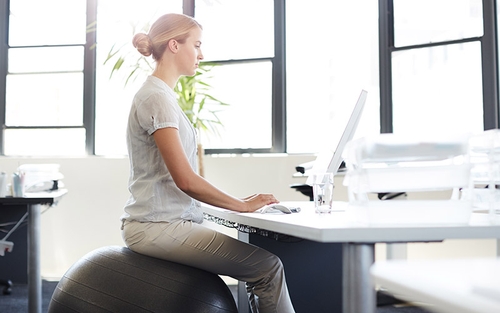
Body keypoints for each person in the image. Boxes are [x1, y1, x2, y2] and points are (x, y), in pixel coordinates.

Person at [120, 13, 296, 313]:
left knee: (263, 265)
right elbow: (185, 180)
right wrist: (241, 207)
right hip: (156, 227)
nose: (201, 54)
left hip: (165, 221)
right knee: (268, 268)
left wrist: (239, 201)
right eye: (197, 45)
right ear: (174, 45)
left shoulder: (162, 95)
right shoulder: (156, 98)